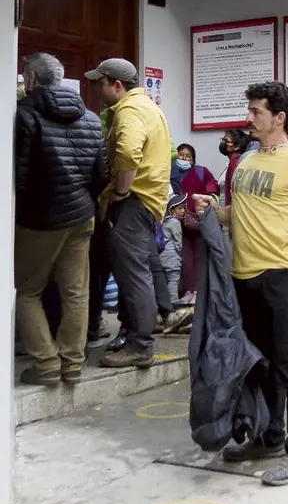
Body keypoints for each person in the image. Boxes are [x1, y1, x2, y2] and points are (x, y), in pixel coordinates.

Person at [193, 81, 288, 485]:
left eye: (256, 111)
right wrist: (211, 210)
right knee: (259, 367)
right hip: (243, 278)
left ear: (279, 117)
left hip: (282, 276)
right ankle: (270, 437)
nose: (248, 118)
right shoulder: (244, 161)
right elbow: (235, 215)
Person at [14, 53, 107, 385]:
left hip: (40, 219)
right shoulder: (93, 119)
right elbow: (102, 174)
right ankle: (72, 363)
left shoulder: (25, 115)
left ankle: (47, 365)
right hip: (82, 216)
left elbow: (20, 177)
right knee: (76, 291)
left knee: (26, 291)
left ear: (33, 80)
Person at [86, 58, 171, 368]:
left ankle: (139, 345)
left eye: (101, 82)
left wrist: (120, 192)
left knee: (134, 276)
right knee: (141, 272)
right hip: (148, 202)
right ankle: (138, 338)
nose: (97, 88)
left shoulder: (130, 110)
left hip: (134, 201)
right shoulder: (149, 107)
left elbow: (128, 152)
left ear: (117, 85)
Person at [171, 144, 220, 305]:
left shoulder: (201, 172)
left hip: (199, 223)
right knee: (185, 258)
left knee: (199, 257)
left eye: (188, 156)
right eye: (181, 155)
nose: (184, 159)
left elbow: (213, 187)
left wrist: (207, 203)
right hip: (178, 225)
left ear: (193, 159)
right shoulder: (171, 173)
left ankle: (198, 291)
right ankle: (188, 291)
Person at [161, 194, 186, 307]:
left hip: (162, 255)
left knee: (165, 279)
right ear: (172, 210)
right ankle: (174, 301)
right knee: (173, 278)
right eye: (179, 208)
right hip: (171, 255)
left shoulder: (164, 222)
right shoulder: (175, 222)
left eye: (183, 207)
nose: (183, 211)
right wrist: (180, 252)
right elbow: (178, 241)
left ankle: (164, 302)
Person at [220, 129, 250, 206]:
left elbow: (235, 190)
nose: (223, 143)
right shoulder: (232, 162)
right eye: (222, 140)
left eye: (226, 141)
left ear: (237, 146)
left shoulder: (235, 161)